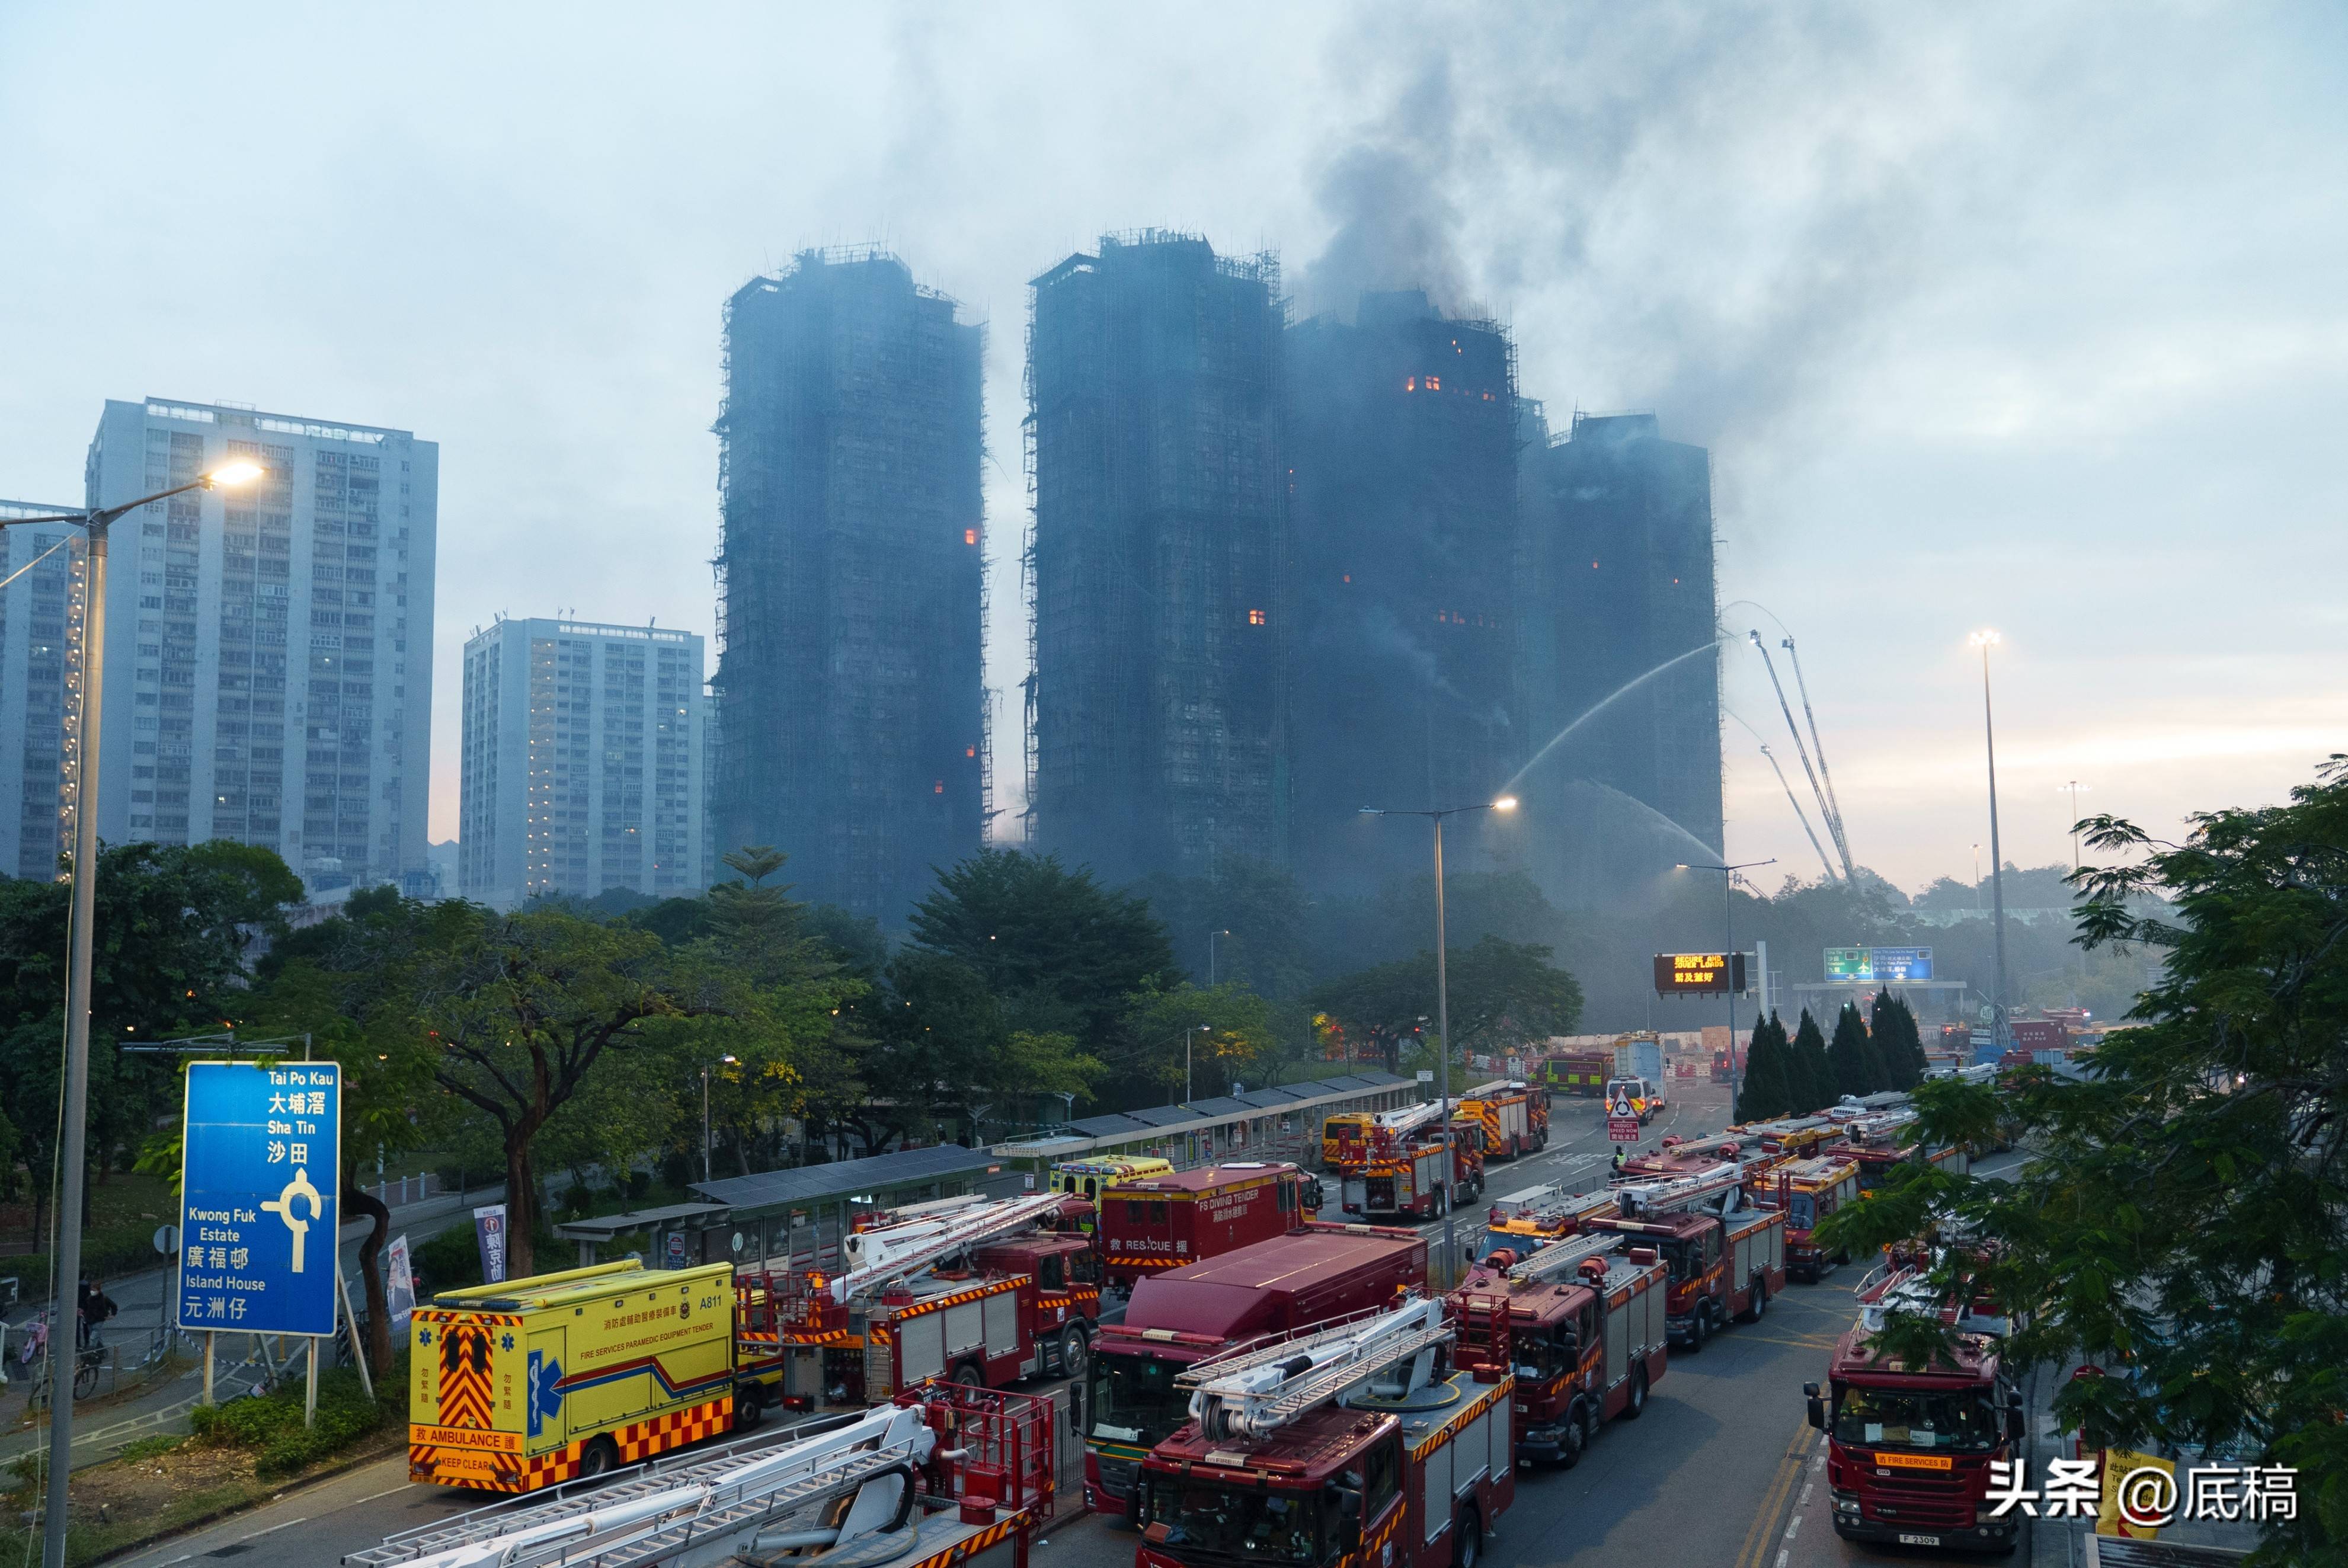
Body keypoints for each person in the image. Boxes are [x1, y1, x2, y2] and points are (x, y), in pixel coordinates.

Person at [76, 1276, 117, 1348]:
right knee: (96, 1335)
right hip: (90, 1319)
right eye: (92, 1290)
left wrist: (113, 1315)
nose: (92, 1291)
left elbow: (114, 1306)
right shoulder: (89, 1299)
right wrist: (82, 1311)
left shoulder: (104, 1299)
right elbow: (85, 1307)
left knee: (94, 1335)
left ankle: (93, 1349)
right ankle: (101, 1349)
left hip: (99, 1319)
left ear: (98, 1290)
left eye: (94, 1290)